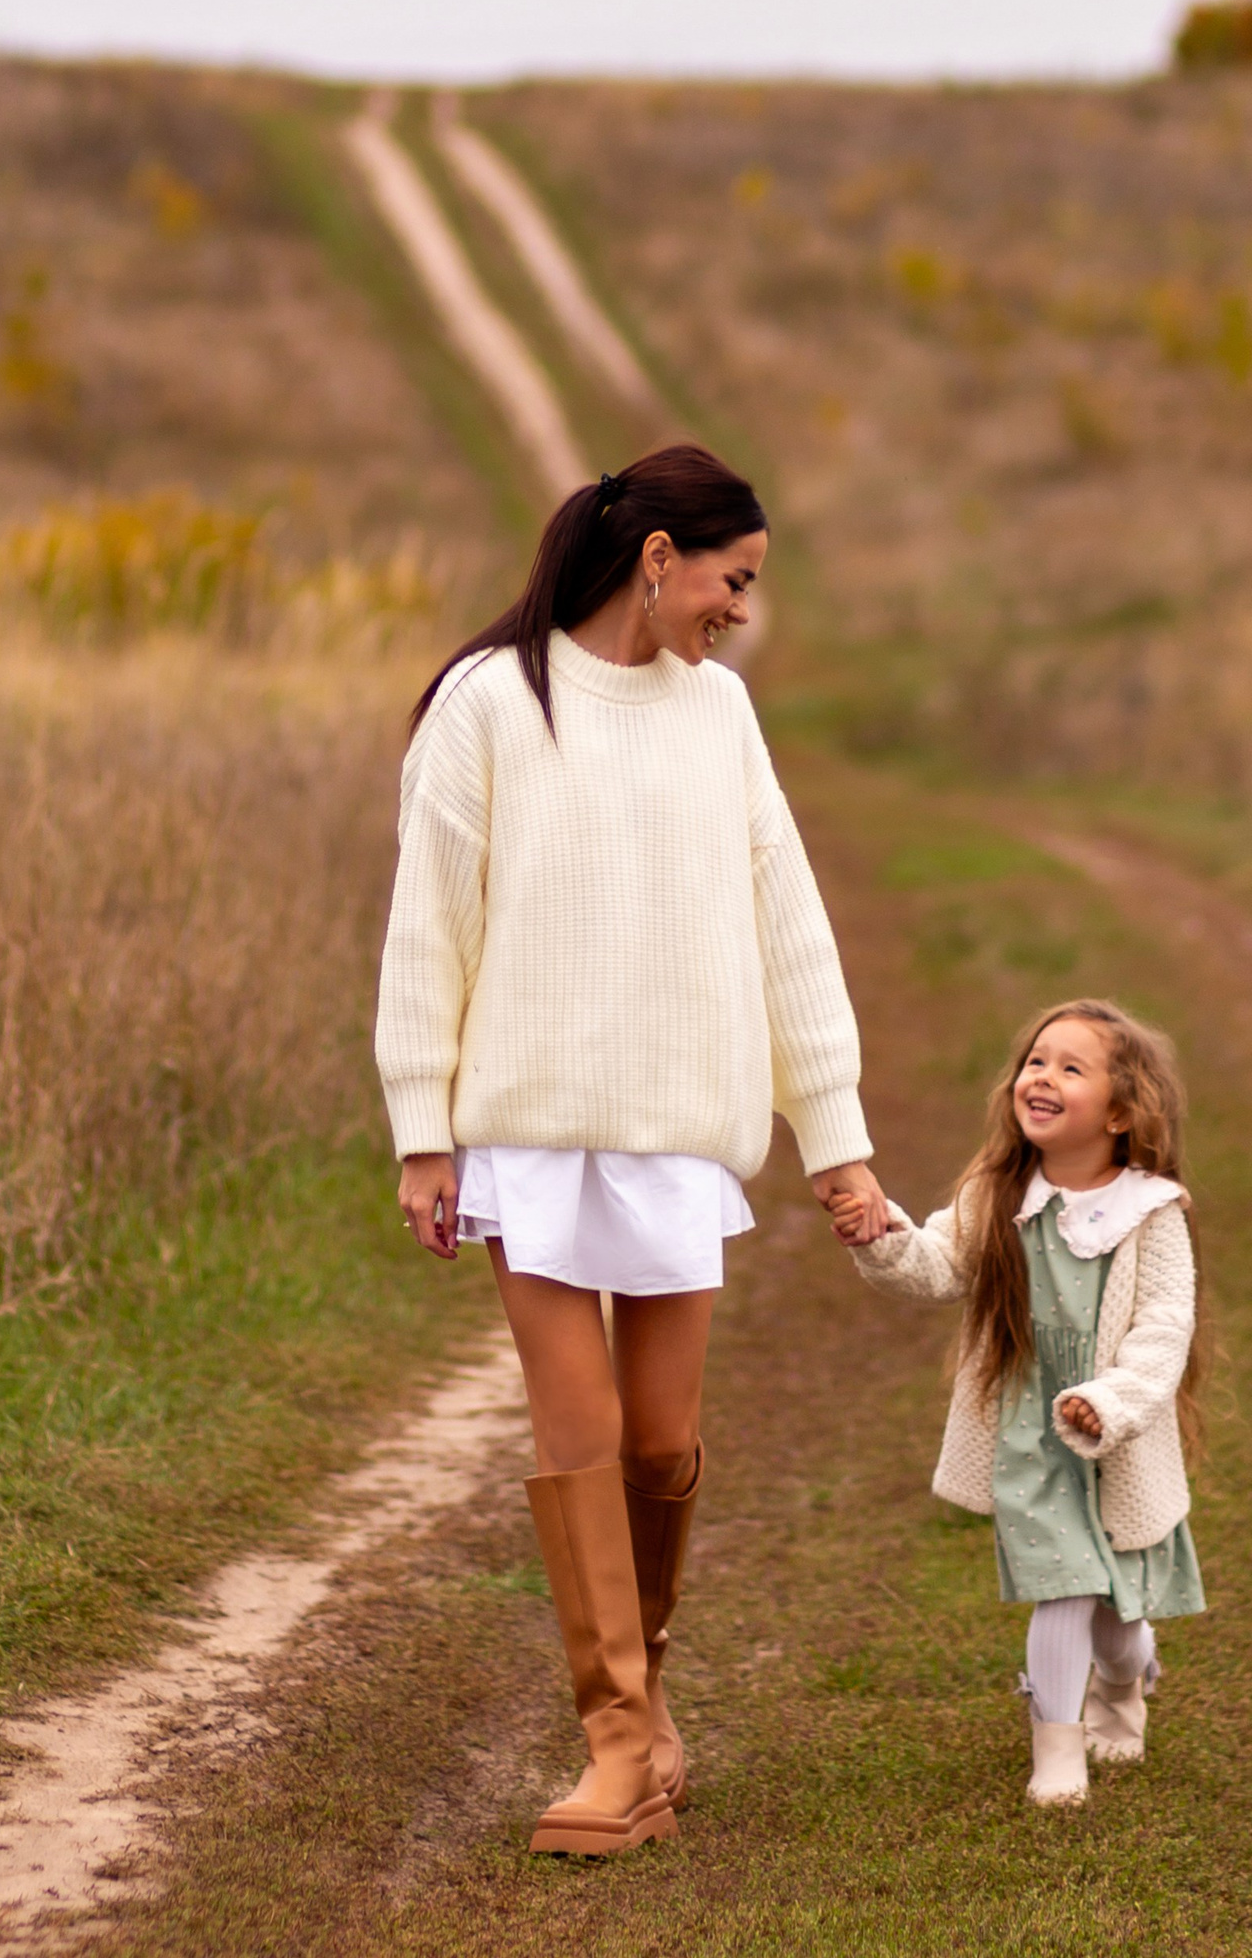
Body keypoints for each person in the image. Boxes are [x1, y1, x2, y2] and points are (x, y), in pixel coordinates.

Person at [376, 443, 889, 1857]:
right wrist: (425, 1131)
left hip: (676, 1132)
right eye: (734, 580)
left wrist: (832, 1139)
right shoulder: (490, 702)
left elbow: (788, 925)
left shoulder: (721, 716)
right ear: (658, 555)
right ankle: (616, 1744)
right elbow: (431, 920)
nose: (740, 611)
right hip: (532, 1135)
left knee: (663, 1444)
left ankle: (647, 1699)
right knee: (578, 1437)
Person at [832, 997, 1204, 1807]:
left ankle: (1124, 1678)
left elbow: (1164, 1328)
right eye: (1037, 1062)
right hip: (1031, 1437)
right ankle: (1057, 1749)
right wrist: (883, 1237)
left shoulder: (1151, 1213)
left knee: (1115, 1608)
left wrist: (1110, 1402)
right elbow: (938, 1266)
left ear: (1120, 1110)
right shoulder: (997, 1192)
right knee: (1063, 1584)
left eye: (1072, 1068)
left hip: (1114, 1434)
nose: (1043, 1077)